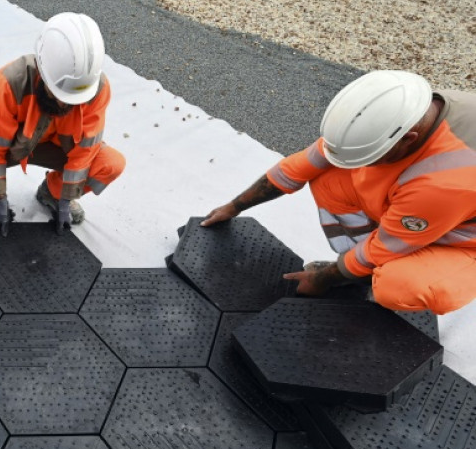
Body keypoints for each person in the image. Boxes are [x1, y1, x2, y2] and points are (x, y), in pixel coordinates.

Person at [202, 70, 476, 315]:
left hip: (464, 241)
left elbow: (383, 248)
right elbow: (300, 167)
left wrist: (323, 278)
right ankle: (357, 268)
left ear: (408, 139)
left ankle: (376, 274)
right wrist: (235, 206)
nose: (362, 166)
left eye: (371, 157)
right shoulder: (401, 113)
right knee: (330, 179)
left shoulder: (443, 181)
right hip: (431, 210)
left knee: (397, 285)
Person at [0, 12, 125, 238]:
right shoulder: (8, 82)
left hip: (57, 148)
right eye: (59, 93)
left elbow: (85, 152)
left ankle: (52, 193)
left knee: (111, 164)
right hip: (12, 145)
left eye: (73, 99)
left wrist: (65, 199)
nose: (64, 103)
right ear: (42, 69)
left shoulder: (95, 89)